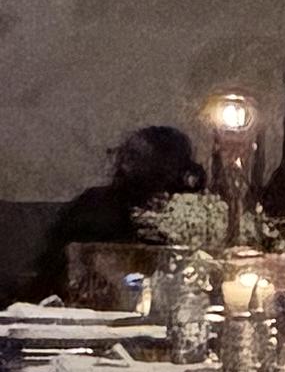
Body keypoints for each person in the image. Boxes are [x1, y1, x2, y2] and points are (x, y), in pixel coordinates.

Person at [26, 123, 199, 295]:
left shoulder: (188, 215)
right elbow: (57, 270)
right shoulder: (94, 206)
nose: (123, 165)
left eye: (135, 157)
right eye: (126, 155)